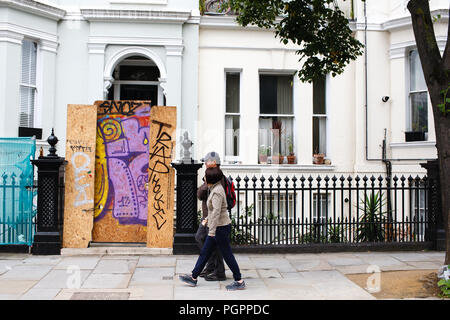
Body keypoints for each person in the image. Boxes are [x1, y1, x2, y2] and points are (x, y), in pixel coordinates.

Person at [179, 166, 246, 291]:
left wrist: (211, 231)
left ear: (210, 179)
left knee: (227, 255)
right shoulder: (214, 188)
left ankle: (239, 280)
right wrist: (207, 220)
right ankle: (193, 277)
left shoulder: (217, 192)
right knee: (205, 253)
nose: (204, 177)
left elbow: (216, 212)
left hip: (220, 228)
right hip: (217, 227)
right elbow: (215, 212)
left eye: (205, 175)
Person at [195, 151, 226, 281]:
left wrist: (205, 183)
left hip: (212, 217)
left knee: (215, 244)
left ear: (213, 163)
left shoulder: (217, 177)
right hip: (207, 216)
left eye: (206, 162)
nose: (204, 164)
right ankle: (211, 266)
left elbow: (201, 194)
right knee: (201, 238)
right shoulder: (210, 175)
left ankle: (219, 271)